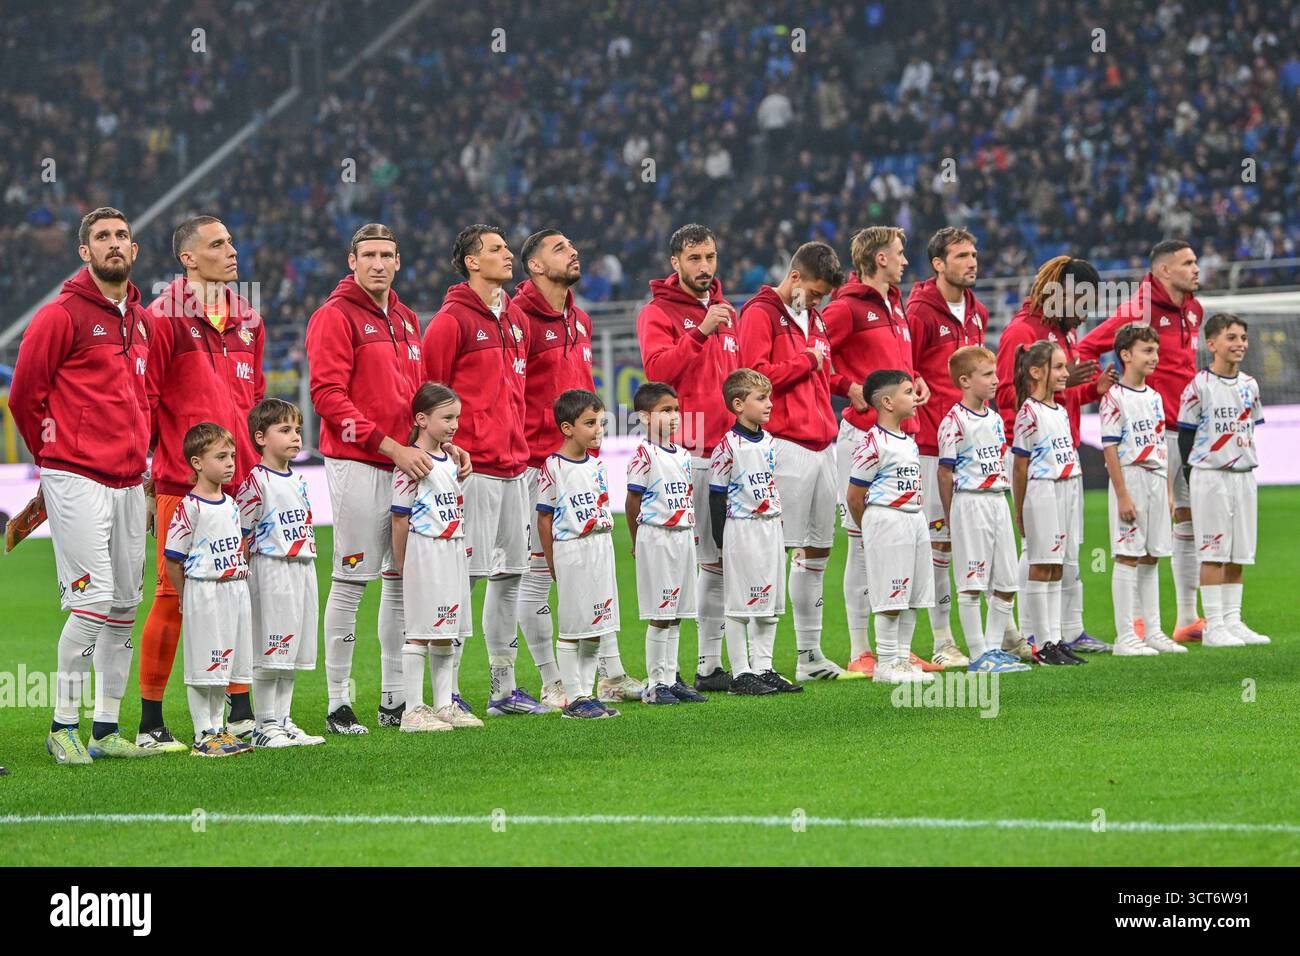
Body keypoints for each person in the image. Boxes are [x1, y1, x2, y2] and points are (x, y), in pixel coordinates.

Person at [10, 207, 155, 763]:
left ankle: (104, 729)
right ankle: (61, 726)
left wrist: (143, 466)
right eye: (102, 237)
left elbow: (143, 400)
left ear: (134, 251)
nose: (114, 244)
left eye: (122, 236)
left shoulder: (138, 320)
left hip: (127, 480)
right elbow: (25, 395)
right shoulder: (60, 316)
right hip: (76, 475)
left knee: (123, 605)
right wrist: (53, 456)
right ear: (84, 252)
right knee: (92, 603)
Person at [307, 223, 465, 735]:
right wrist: (390, 445)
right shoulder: (333, 316)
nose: (378, 263)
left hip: (407, 467)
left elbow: (419, 401)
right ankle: (337, 705)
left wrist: (437, 443)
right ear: (351, 261)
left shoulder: (406, 317)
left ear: (398, 261)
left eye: (388, 255)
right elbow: (328, 397)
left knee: (400, 582)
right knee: (352, 581)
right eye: (369, 255)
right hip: (360, 464)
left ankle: (397, 703)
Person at [139, 215, 265, 748]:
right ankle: (150, 723)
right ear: (188, 258)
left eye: (232, 241)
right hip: (180, 484)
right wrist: (148, 482)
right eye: (217, 244)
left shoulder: (249, 320)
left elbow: (255, 400)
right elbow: (143, 401)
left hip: (238, 487)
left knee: (237, 594)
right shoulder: (161, 319)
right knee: (173, 596)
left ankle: (240, 712)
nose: (231, 251)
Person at [737, 241, 862, 682]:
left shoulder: (814, 319)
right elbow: (751, 379)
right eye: (813, 293)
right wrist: (803, 360)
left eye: (823, 296)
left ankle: (809, 655)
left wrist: (849, 387)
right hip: (784, 444)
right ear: (794, 278)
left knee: (817, 551)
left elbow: (824, 372)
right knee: (771, 551)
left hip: (822, 445)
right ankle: (756, 662)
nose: (817, 301)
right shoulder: (759, 313)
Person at [1079, 239, 1206, 643]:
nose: (1197, 268)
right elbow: (1089, 346)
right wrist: (1101, 388)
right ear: (1164, 270)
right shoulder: (1139, 309)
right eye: (1188, 263)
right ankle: (1134, 623)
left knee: (1184, 521)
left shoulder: (1193, 309)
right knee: (1139, 534)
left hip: (1187, 432)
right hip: (1150, 433)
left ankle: (1186, 618)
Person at [995, 256, 1117, 655]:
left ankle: (1067, 630)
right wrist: (1020, 452)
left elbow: (1058, 398)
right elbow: (1007, 395)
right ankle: (1031, 634)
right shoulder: (1022, 332)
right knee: (1037, 548)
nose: (1086, 309)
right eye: (1082, 300)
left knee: (1067, 549)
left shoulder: (1060, 333)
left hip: (1066, 459)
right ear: (1059, 293)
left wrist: (1088, 388)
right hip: (1035, 460)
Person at [822, 226, 930, 676]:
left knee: (901, 545)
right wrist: (846, 386)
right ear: (880, 258)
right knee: (863, 545)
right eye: (900, 253)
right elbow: (814, 354)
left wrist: (915, 377)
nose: (905, 261)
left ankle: (897, 651)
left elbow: (895, 361)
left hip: (899, 437)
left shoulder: (897, 304)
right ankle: (860, 649)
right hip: (862, 438)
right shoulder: (845, 307)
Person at [637, 224, 740, 691]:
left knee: (718, 561)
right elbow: (658, 373)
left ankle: (709, 665)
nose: (704, 267)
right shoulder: (657, 313)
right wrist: (699, 330)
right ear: (675, 262)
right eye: (694, 258)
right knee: (685, 561)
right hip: (688, 451)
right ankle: (666, 672)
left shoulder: (724, 312)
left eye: (711, 257)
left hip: (727, 451)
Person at [513, 229, 596, 710]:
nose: (574, 251)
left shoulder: (579, 319)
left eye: (572, 244)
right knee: (537, 574)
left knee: (587, 567)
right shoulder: (519, 317)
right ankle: (551, 679)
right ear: (536, 266)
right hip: (534, 464)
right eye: (560, 248)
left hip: (577, 465)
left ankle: (600, 671)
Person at [907, 227, 990, 669]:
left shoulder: (978, 312)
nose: (971, 262)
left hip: (972, 447)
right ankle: (942, 638)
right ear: (938, 264)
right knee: (940, 544)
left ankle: (991, 634)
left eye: (974, 254)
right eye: (961, 256)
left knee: (970, 542)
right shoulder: (919, 312)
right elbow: (905, 368)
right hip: (929, 444)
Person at [391, 383, 484, 730]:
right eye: (446, 418)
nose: (454, 424)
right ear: (421, 419)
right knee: (419, 630)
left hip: (452, 549)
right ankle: (413, 710)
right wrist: (403, 563)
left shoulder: (453, 458)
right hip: (424, 549)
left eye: (456, 417)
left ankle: (444, 703)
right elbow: (400, 517)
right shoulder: (412, 462)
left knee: (447, 630)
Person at [236, 398, 327, 746]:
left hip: (302, 569)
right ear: (260, 437)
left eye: (298, 431)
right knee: (270, 651)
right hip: (270, 570)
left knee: (292, 655)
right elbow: (243, 535)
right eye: (284, 430)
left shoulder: (299, 479)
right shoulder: (256, 483)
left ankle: (284, 719)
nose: (295, 437)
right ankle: (263, 724)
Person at [1177, 314, 1269, 646]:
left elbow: (1250, 428)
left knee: (1239, 551)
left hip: (1244, 475)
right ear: (1212, 343)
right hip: (1210, 475)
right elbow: (1185, 437)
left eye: (1243, 337)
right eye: (1231, 337)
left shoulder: (1250, 386)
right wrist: (1191, 476)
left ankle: (1233, 620)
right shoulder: (1199, 386)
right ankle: (1214, 625)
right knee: (1212, 550)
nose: (1239, 344)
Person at [163, 423, 254, 756]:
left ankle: (219, 729)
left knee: (225, 664)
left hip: (234, 590)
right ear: (197, 462)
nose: (230, 462)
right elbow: (173, 558)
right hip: (205, 591)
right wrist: (187, 597)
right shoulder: (190, 507)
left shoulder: (231, 504)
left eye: (232, 455)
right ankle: (203, 734)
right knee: (205, 665)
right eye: (221, 456)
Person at [936, 347, 1029, 673]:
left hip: (997, 500)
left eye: (994, 373)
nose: (995, 380)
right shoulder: (954, 422)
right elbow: (945, 472)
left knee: (1005, 582)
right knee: (972, 582)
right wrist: (952, 517)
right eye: (987, 375)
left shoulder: (992, 418)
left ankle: (993, 649)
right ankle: (978, 654)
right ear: (964, 381)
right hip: (971, 501)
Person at [535, 389, 624, 718]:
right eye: (590, 423)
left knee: (598, 626)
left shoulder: (598, 464)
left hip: (601, 547)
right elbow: (544, 516)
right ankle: (573, 698)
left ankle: (587, 694)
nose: (598, 429)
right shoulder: (553, 467)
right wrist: (551, 559)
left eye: (601, 422)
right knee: (573, 628)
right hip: (572, 550)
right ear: (567, 428)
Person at [845, 370, 937, 686]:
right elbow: (855, 496)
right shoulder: (872, 442)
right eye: (908, 392)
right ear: (887, 401)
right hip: (888, 519)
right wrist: (871, 528)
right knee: (891, 593)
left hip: (914, 517)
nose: (915, 397)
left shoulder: (909, 441)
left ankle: (902, 657)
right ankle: (886, 663)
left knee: (913, 594)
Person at [709, 368, 796, 696]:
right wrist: (722, 540)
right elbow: (716, 495)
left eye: (769, 397)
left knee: (770, 602)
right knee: (739, 604)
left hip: (770, 528)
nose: (769, 404)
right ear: (738, 404)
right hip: (742, 529)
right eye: (761, 399)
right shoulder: (728, 446)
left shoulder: (771, 442)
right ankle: (741, 672)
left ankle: (763, 666)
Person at [1099, 324, 1183, 657]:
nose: (1155, 357)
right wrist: (1122, 494)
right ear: (1126, 354)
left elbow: (1161, 444)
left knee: (1152, 554)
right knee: (1127, 554)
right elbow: (1110, 449)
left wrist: (1169, 491)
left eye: (1156, 351)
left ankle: (1153, 630)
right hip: (1131, 477)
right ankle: (1125, 635)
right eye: (1147, 351)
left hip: (1155, 477)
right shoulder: (1114, 398)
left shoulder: (1155, 397)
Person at [626, 382, 706, 704]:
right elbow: (633, 501)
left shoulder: (684, 455)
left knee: (676, 612)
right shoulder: (644, 454)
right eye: (665, 411)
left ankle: (671, 679)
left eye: (676, 410)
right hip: (656, 537)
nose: (674, 417)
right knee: (661, 612)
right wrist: (637, 542)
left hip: (682, 537)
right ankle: (655, 683)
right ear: (645, 417)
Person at [1009, 342, 1088, 666]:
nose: (1065, 374)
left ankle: (1055, 639)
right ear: (1036, 372)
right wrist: (1020, 507)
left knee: (1057, 566)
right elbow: (1020, 465)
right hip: (1043, 490)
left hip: (1067, 486)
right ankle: (1041, 642)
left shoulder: (1058, 408)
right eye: (1058, 367)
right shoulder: (1029, 412)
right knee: (1042, 564)